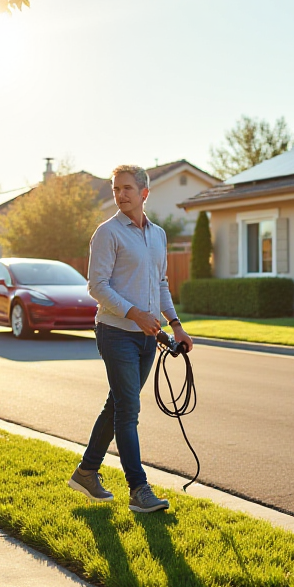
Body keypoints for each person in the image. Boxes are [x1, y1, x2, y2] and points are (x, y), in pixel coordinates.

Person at [68, 164, 193, 514]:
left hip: (147, 338)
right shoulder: (107, 233)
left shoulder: (159, 235)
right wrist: (134, 313)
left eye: (126, 188)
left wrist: (176, 325)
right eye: (115, 189)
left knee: (118, 405)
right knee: (129, 411)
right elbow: (97, 286)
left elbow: (161, 283)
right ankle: (138, 489)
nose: (120, 194)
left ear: (144, 193)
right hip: (116, 333)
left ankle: (86, 472)